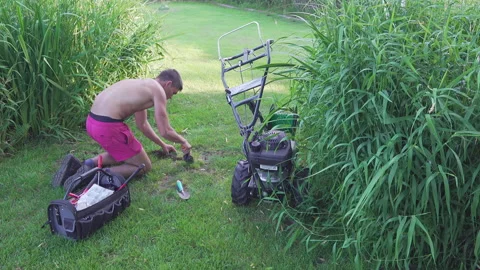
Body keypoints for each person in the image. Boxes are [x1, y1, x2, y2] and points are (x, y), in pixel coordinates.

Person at [52, 69, 192, 190]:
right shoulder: (158, 91)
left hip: (92, 123)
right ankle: (93, 176)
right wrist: (183, 141)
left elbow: (142, 124)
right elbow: (165, 130)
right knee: (143, 166)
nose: (170, 97)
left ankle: (89, 163)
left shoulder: (141, 86)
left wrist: (162, 145)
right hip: (108, 127)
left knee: (126, 153)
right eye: (172, 93)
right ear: (167, 84)